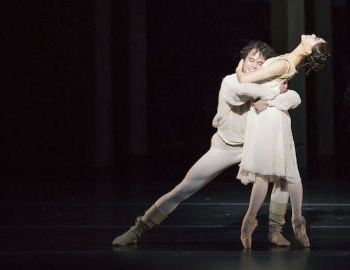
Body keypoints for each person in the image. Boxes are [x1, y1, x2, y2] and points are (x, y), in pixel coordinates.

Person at [112, 40, 302, 246]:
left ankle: (274, 231)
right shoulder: (230, 81)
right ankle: (138, 229)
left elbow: (294, 97)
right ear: (242, 61)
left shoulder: (266, 84)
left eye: (260, 62)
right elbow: (245, 92)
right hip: (226, 147)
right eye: (250, 60)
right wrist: (274, 93)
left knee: (280, 179)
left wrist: (278, 95)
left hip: (253, 146)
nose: (254, 65)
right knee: (184, 188)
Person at [235, 34, 330, 249]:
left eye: (315, 40)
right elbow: (263, 86)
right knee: (281, 174)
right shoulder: (289, 60)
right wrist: (268, 98)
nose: (313, 35)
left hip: (270, 120)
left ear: (308, 49)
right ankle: (293, 221)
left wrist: (240, 66)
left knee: (271, 174)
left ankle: (254, 222)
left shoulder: (282, 63)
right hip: (273, 118)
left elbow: (244, 81)